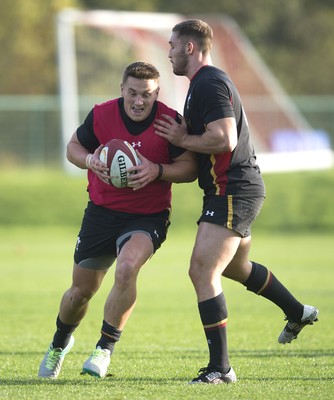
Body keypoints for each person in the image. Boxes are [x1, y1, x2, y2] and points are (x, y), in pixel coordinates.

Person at [154, 19, 319, 385]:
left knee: (202, 270)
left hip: (233, 189)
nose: (168, 52)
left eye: (172, 45)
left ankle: (220, 368)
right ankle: (298, 311)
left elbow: (225, 139)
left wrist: (183, 138)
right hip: (228, 188)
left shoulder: (210, 83)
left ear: (190, 48)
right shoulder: (200, 86)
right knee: (233, 268)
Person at [38, 61, 197, 379]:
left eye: (147, 95)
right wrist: (89, 160)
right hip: (101, 213)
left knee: (126, 268)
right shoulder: (101, 115)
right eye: (133, 93)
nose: (140, 101)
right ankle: (60, 343)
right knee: (79, 293)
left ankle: (104, 349)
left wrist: (158, 170)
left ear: (157, 93)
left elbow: (191, 167)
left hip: (147, 216)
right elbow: (73, 147)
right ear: (122, 89)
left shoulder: (170, 121)